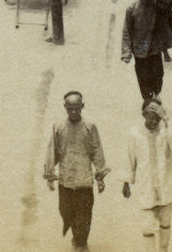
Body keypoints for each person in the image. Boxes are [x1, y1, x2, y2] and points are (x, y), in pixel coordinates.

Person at [44, 91, 110, 250]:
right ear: (65, 107)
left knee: (84, 214)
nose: (73, 112)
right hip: (65, 180)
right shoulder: (58, 126)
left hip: (84, 180)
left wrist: (100, 176)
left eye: (77, 108)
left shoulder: (90, 126)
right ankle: (77, 236)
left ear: (82, 106)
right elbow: (53, 150)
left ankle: (81, 242)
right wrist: (50, 174)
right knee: (66, 211)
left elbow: (96, 150)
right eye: (70, 108)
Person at [122, 96, 172, 252]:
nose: (154, 120)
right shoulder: (135, 133)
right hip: (146, 186)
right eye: (150, 115)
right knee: (148, 227)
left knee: (165, 224)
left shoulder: (167, 131)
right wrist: (126, 182)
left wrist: (166, 117)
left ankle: (164, 250)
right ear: (143, 114)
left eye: (157, 116)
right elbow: (130, 158)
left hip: (166, 186)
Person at [122, 0, 172, 99]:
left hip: (154, 47)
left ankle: (155, 94)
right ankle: (149, 100)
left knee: (158, 75)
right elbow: (127, 31)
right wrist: (126, 52)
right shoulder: (131, 9)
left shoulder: (157, 6)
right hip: (140, 47)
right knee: (143, 77)